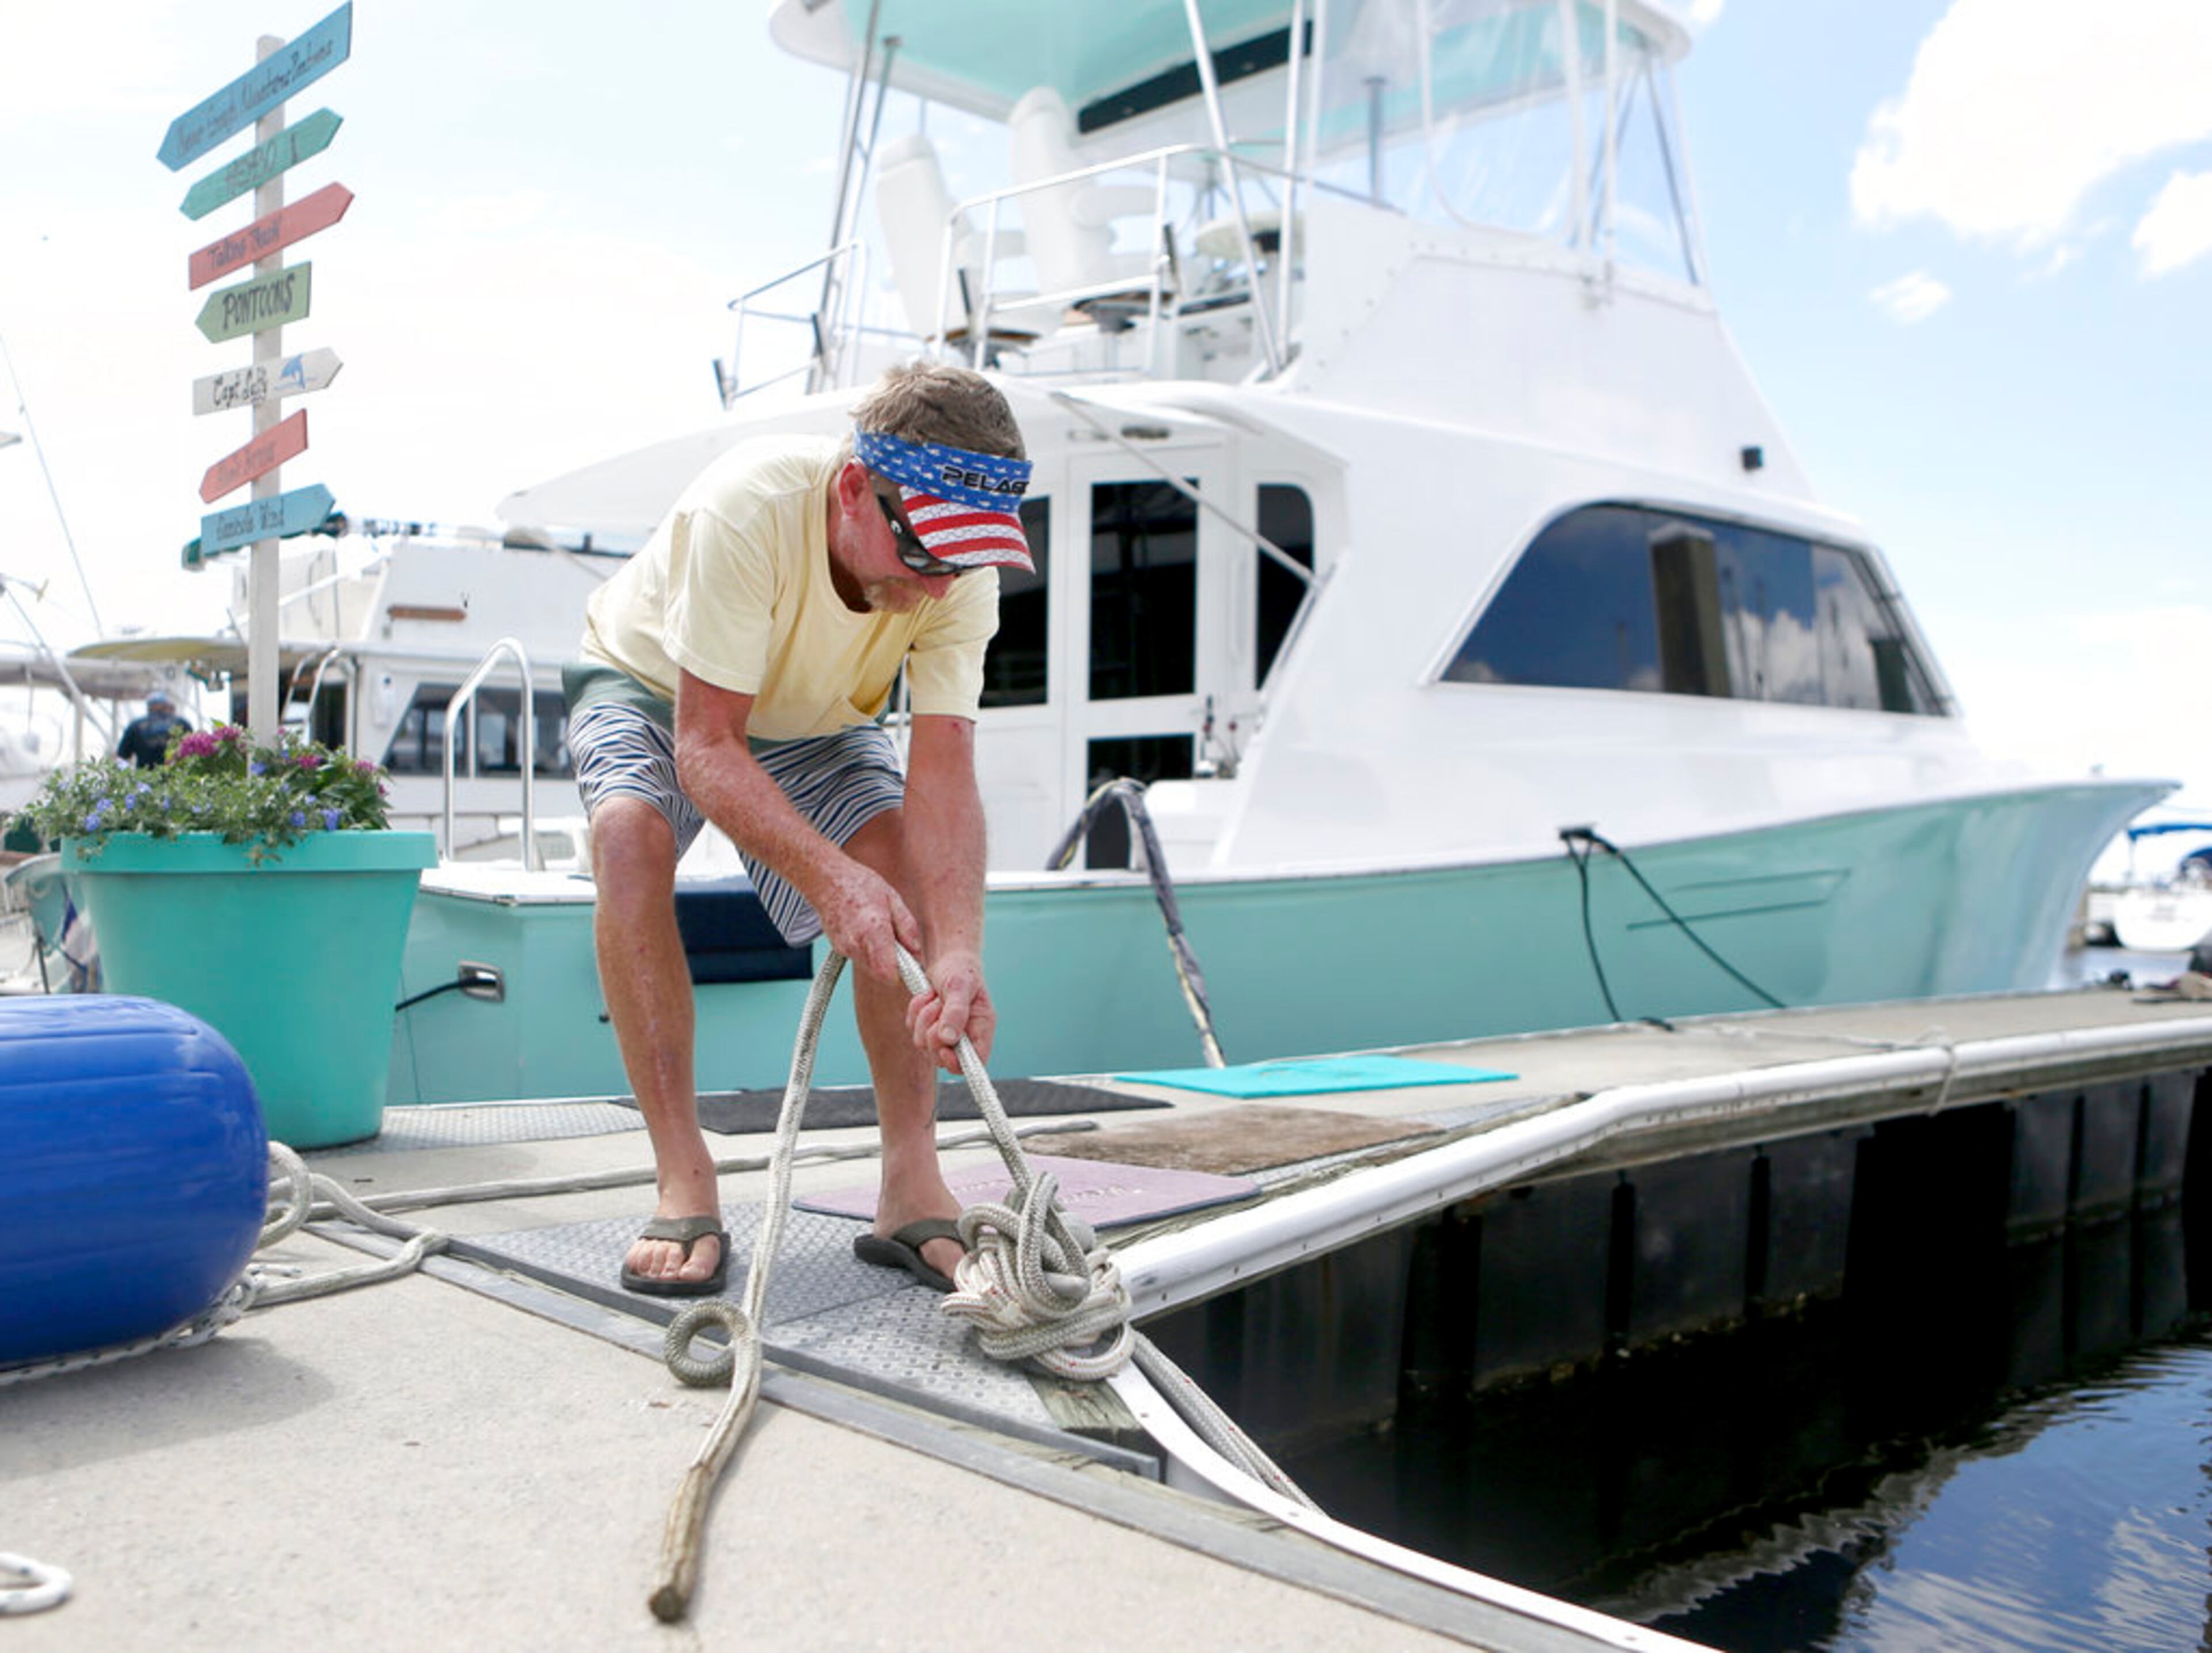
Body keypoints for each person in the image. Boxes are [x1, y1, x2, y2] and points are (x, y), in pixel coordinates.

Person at [563, 361, 1034, 1297]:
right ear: (854, 489)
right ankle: (683, 1172)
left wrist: (960, 952)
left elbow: (943, 773)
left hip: (814, 715)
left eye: (961, 558)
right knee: (629, 838)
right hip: (662, 686)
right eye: (925, 551)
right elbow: (706, 746)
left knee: (893, 856)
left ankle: (910, 1184)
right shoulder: (749, 506)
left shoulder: (952, 576)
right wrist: (827, 878)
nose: (940, 588)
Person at [116, 690, 191, 769]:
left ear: (148, 707)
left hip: (145, 778)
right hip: (177, 778)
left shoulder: (135, 726)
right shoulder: (181, 723)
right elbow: (193, 750)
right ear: (166, 705)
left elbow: (122, 757)